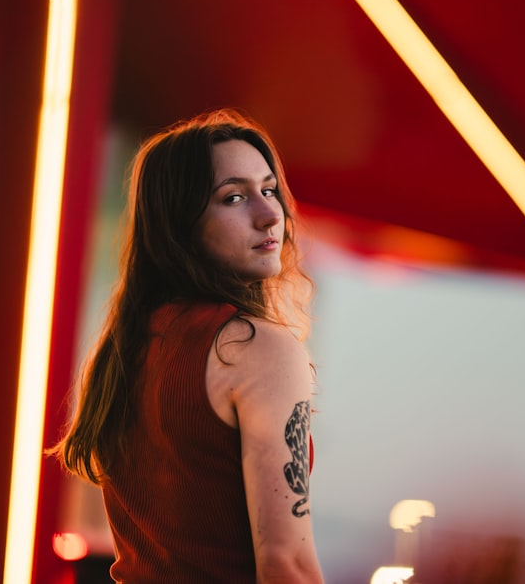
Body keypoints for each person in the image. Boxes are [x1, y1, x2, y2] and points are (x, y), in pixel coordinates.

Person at [50, 109, 324, 583]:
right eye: (233, 197)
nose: (268, 215)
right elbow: (287, 564)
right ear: (180, 225)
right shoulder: (255, 348)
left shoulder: (127, 347)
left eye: (268, 189)